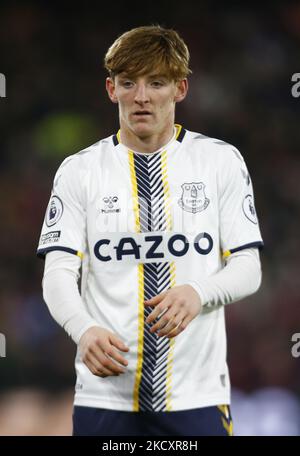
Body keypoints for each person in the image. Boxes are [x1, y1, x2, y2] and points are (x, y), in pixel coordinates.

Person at [37, 25, 263, 436]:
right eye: (128, 83)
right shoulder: (79, 171)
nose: (141, 97)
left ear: (180, 88)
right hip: (104, 397)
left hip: (195, 396)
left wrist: (199, 292)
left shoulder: (220, 161)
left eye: (156, 83)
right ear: (111, 89)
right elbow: (57, 274)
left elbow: (248, 266)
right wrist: (82, 328)